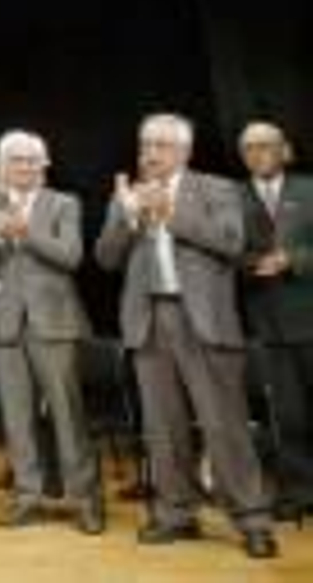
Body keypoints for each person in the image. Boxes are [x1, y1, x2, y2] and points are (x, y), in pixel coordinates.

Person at [94, 113, 277, 559]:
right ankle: (177, 513)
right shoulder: (127, 196)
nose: (150, 154)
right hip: (149, 319)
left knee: (224, 426)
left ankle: (251, 518)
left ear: (184, 151)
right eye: (145, 145)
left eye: (160, 145)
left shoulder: (215, 189)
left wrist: (171, 216)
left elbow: (233, 243)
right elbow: (105, 258)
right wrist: (129, 217)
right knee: (164, 427)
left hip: (204, 321)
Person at [0, 131, 103, 534]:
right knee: (17, 417)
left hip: (53, 322)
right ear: (1, 167)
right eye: (15, 160)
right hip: (4, 324)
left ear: (44, 164)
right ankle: (28, 496)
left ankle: (83, 499)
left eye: (30, 160)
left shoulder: (63, 203)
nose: (23, 167)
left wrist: (26, 232)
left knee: (66, 414)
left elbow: (71, 256)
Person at [237, 121, 313, 523]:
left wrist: (294, 260)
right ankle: (300, 492)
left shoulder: (310, 190)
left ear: (285, 150)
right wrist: (253, 263)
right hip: (269, 325)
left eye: (265, 146)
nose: (257, 153)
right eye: (249, 148)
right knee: (289, 416)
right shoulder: (233, 197)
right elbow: (229, 251)